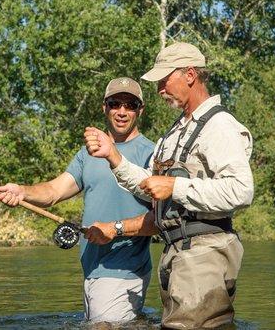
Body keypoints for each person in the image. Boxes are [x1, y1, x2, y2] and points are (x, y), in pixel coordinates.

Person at [83, 42, 254, 329]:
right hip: (177, 255)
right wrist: (114, 157)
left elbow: (241, 191)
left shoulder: (220, 126)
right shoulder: (174, 133)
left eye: (165, 79)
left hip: (205, 254)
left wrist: (175, 187)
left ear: (189, 75)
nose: (160, 88)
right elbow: (152, 186)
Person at [0, 77, 155, 324]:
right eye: (115, 103)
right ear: (105, 107)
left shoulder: (153, 154)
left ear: (140, 110)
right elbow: (53, 192)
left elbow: (163, 220)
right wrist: (22, 191)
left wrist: (114, 229)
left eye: (130, 105)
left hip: (124, 270)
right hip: (91, 268)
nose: (122, 111)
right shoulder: (87, 154)